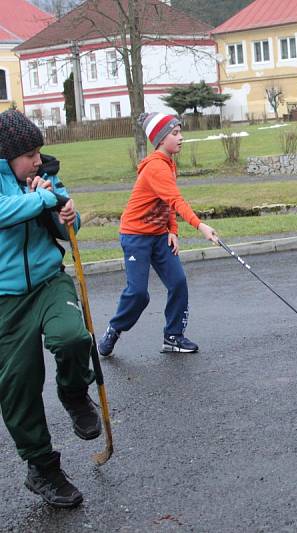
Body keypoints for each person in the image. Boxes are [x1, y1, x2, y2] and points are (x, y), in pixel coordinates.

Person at [0, 109, 101, 508]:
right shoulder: (27, 186)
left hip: (48, 280)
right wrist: (42, 198)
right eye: (30, 153)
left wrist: (66, 217)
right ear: (7, 155)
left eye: (39, 150)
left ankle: (75, 393)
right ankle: (42, 468)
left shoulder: (45, 176)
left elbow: (67, 230)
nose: (38, 160)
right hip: (5, 298)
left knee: (73, 337)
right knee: (17, 386)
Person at [97, 112, 218, 357]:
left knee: (178, 282)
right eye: (175, 133)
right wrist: (201, 226)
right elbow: (176, 199)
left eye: (180, 132)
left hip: (159, 236)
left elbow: (166, 202)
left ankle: (173, 337)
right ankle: (114, 329)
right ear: (161, 139)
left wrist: (172, 230)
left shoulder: (169, 164)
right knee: (139, 294)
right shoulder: (156, 168)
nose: (181, 137)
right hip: (136, 236)